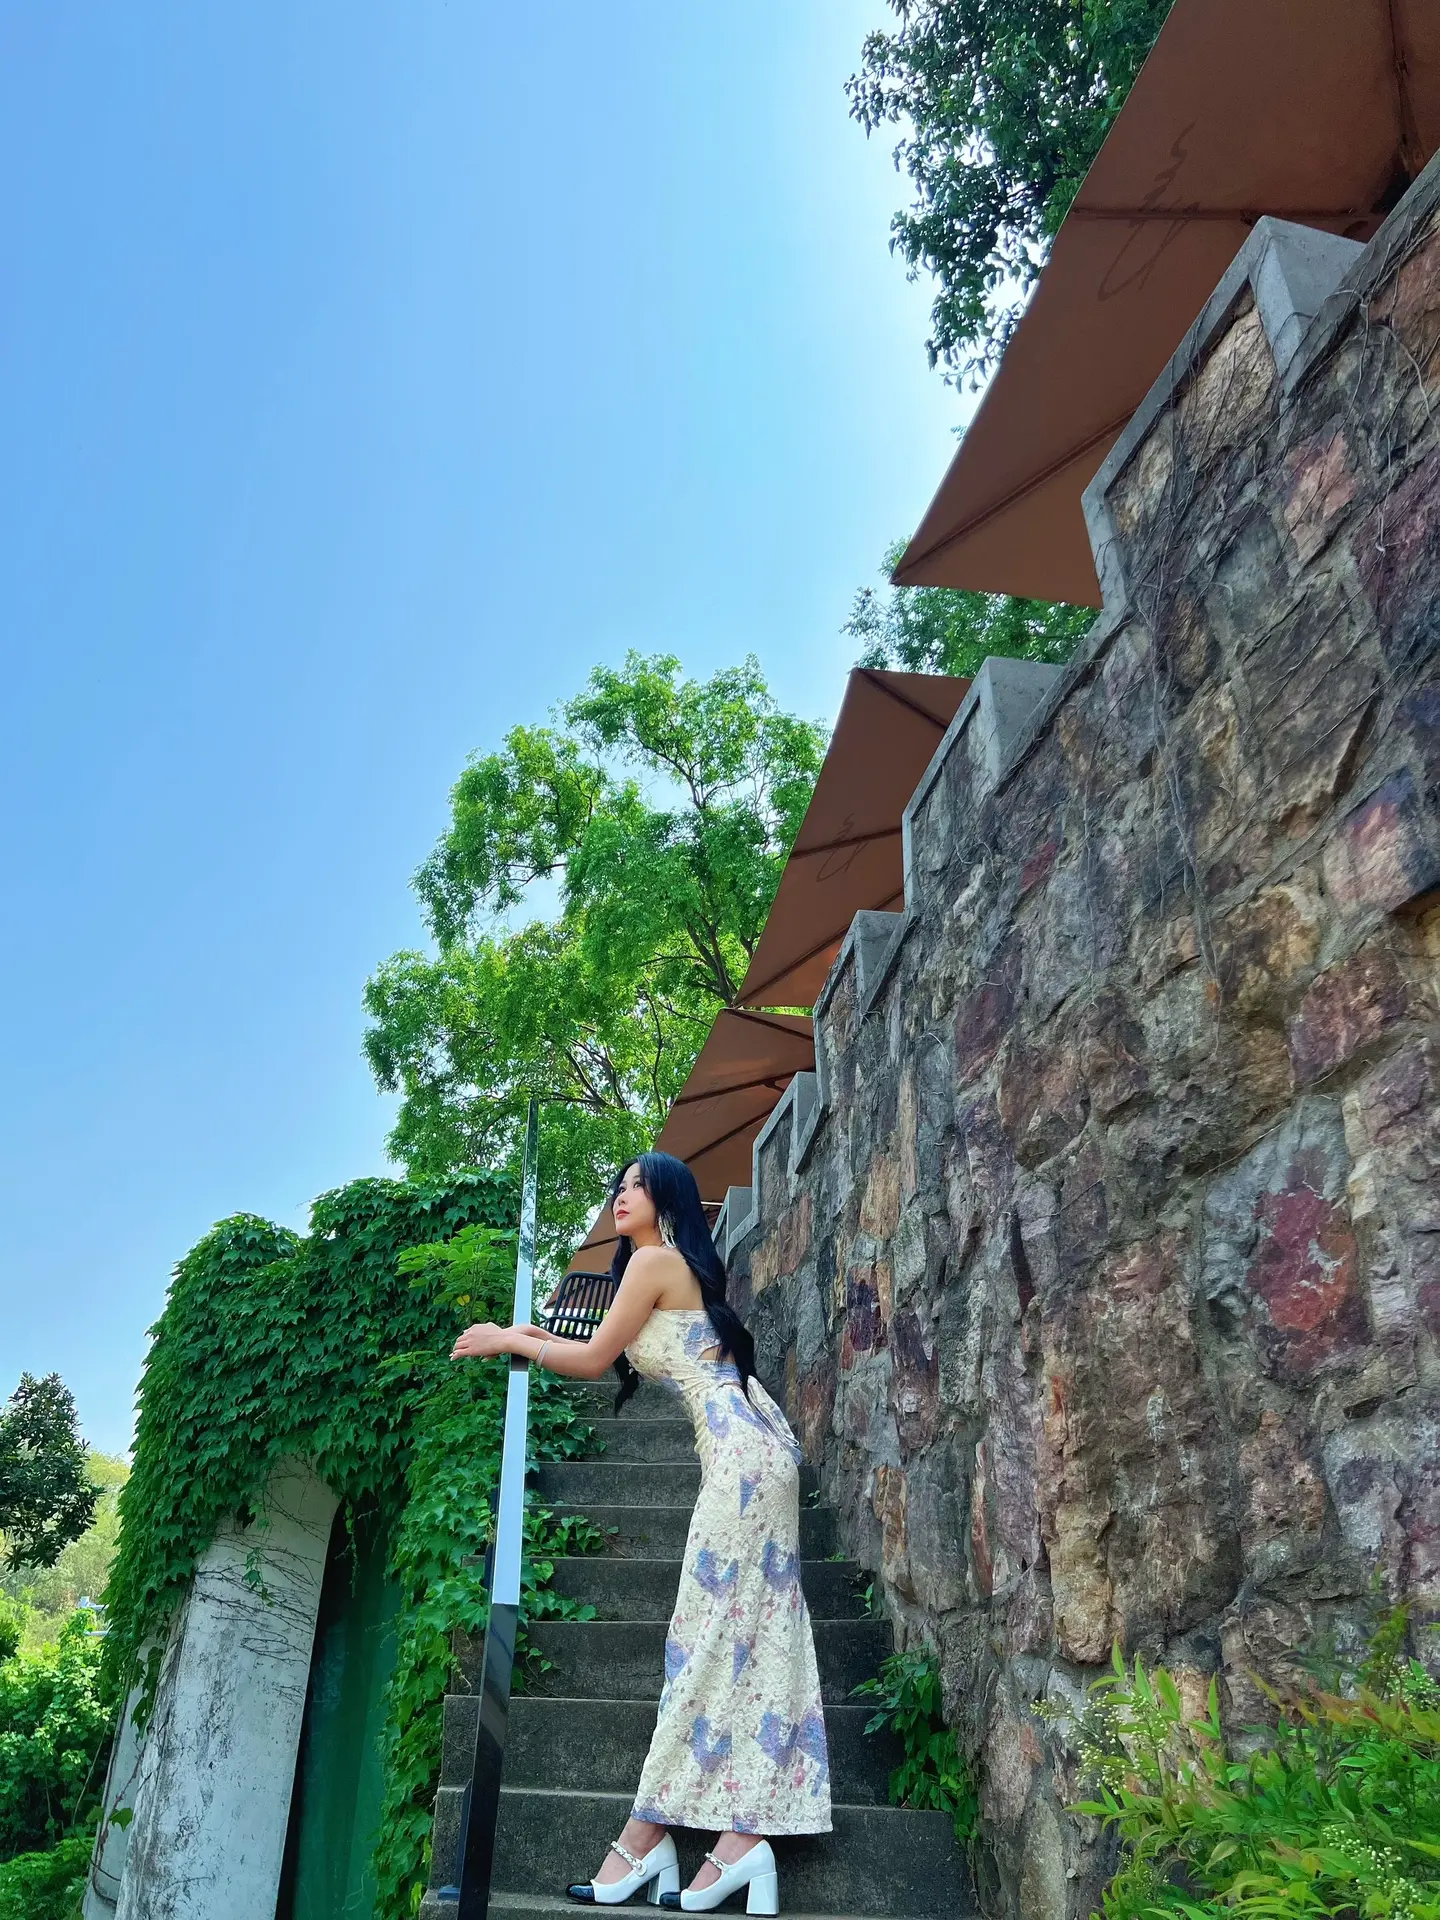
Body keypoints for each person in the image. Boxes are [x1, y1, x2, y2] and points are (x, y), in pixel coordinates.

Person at [452, 1150, 831, 1914]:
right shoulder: (660, 1268)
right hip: (752, 1452)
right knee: (743, 1636)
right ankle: (732, 1840)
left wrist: (507, 1340)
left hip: (742, 1462)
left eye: (637, 1186)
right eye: (618, 1185)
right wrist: (525, 1329)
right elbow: (601, 1340)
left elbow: (593, 1358)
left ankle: (655, 1835)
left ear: (668, 1199)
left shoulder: (655, 1260)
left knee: (707, 1638)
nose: (622, 1196)